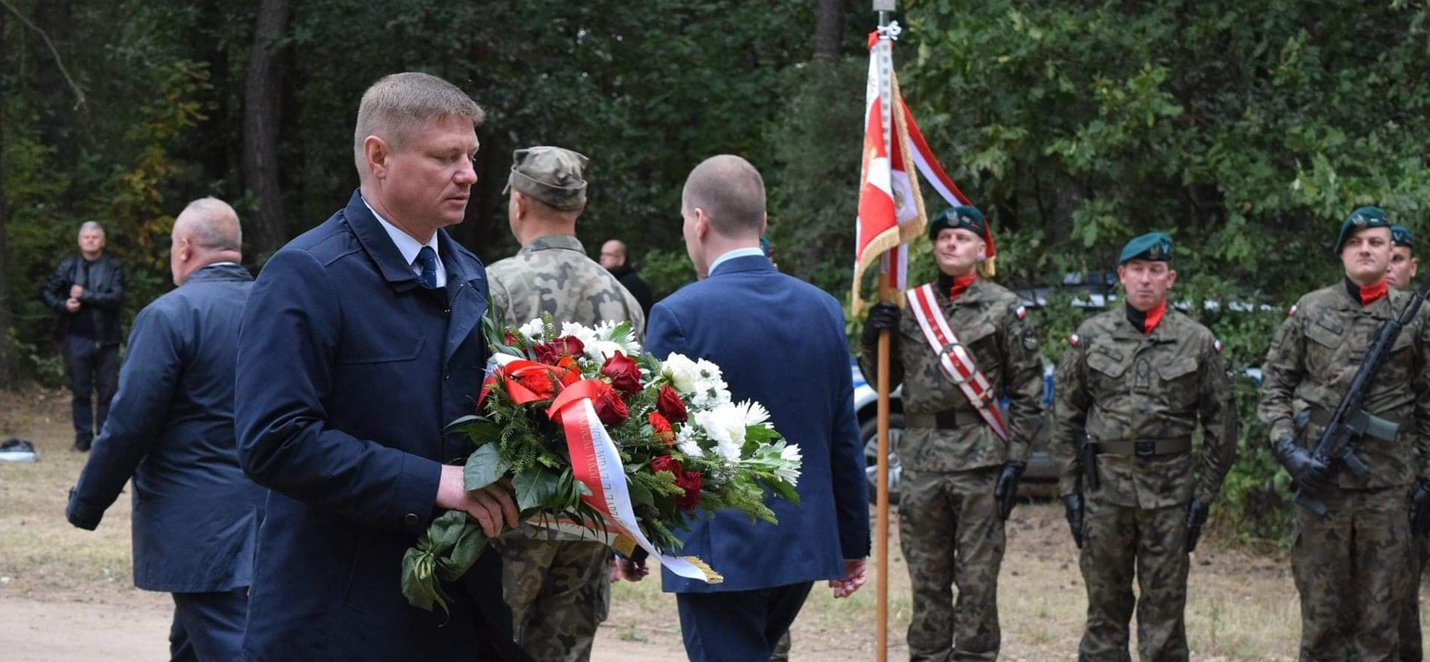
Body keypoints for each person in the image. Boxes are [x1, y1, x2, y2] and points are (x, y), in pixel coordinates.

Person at [234, 72, 523, 661]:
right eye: (446, 157)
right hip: (339, 615)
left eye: (470, 155)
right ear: (379, 157)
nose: (468, 174)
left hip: (454, 608)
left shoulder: (467, 271)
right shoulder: (307, 275)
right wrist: (435, 482)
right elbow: (274, 441)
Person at [635, 154, 870, 662]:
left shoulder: (678, 313)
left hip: (717, 548)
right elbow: (842, 435)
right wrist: (852, 542)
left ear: (698, 221)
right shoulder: (822, 308)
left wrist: (630, 543)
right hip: (802, 543)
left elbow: (653, 447)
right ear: (762, 222)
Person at [65, 198, 263, 662]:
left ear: (185, 248)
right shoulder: (275, 309)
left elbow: (129, 424)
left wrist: (86, 503)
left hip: (196, 524)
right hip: (271, 511)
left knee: (230, 645)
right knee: (192, 643)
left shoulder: (169, 316)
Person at [860, 205, 1045, 662]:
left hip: (980, 460)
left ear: (981, 250)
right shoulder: (911, 306)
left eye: (963, 239)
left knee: (979, 578)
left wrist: (1016, 460)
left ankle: (975, 656)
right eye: (944, 237)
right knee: (926, 576)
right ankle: (927, 654)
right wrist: (871, 336)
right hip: (921, 461)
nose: (951, 244)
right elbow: (884, 383)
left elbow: (1027, 392)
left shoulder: (1004, 308)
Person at [487, 146, 644, 662]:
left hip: (508, 511)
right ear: (578, 208)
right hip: (590, 520)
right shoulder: (621, 296)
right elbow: (638, 420)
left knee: (488, 642)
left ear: (519, 203)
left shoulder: (495, 284)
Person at [1052, 232, 1239, 662]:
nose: (1145, 279)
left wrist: (1204, 495)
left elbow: (1222, 425)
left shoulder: (1196, 341)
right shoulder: (1092, 336)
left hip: (1170, 498)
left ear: (1170, 278)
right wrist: (1069, 491)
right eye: (1136, 269)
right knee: (1104, 612)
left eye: (1156, 271)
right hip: (1106, 496)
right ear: (1121, 276)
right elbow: (1065, 416)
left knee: (1166, 616)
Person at [1259, 206, 1430, 661]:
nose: (1366, 250)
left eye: (1376, 242)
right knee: (1322, 622)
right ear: (1342, 254)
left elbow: (1428, 400)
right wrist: (1288, 451)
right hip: (1324, 488)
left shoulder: (1417, 316)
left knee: (1381, 624)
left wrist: (1426, 478)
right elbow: (1274, 385)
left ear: (1393, 250)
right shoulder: (1311, 310)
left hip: (1389, 492)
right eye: (1356, 243)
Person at [42, 221, 124, 451]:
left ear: (102, 241)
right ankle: (83, 438)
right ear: (79, 241)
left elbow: (116, 298)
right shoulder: (67, 267)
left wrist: (85, 295)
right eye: (86, 237)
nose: (90, 240)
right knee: (80, 390)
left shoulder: (113, 268)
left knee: (108, 390)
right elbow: (48, 293)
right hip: (76, 338)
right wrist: (64, 305)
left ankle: (106, 438)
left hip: (107, 340)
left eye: (94, 237)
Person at [1390, 225, 1430, 662]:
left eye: (1398, 259)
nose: (1388, 268)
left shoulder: (1425, 325)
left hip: (1411, 481)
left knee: (1400, 599)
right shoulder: (1336, 314)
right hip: (1352, 484)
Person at [598, 239, 655, 316]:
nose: (602, 258)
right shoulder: (604, 280)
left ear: (621, 259)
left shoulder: (632, 284)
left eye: (608, 254)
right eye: (602, 254)